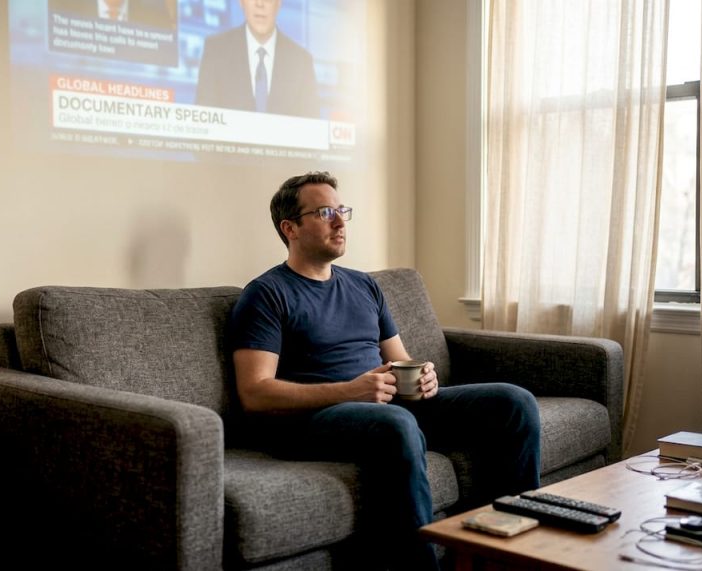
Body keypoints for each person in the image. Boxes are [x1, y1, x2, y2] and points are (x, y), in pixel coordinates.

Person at [228, 172, 541, 571]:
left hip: (383, 405)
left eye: (342, 210)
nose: (340, 222)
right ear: (290, 228)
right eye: (325, 212)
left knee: (513, 403)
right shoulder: (267, 293)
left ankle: (506, 556)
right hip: (313, 418)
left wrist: (425, 375)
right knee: (395, 424)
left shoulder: (364, 286)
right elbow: (255, 393)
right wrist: (350, 391)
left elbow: (399, 359)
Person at [195, 0, 320, 118]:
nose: (260, 3)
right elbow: (204, 122)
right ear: (241, 2)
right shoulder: (216, 50)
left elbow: (310, 130)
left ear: (279, 3)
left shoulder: (301, 62)